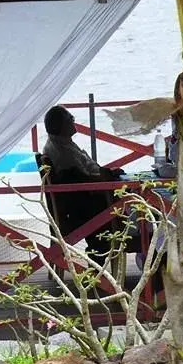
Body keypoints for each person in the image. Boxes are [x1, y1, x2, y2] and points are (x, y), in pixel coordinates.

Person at [41, 106, 123, 262]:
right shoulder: (62, 152)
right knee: (128, 200)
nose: (73, 121)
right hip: (83, 207)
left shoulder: (62, 143)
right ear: (60, 125)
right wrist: (108, 178)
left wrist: (108, 175)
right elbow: (83, 180)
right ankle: (108, 254)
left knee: (127, 194)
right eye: (70, 119)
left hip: (83, 199)